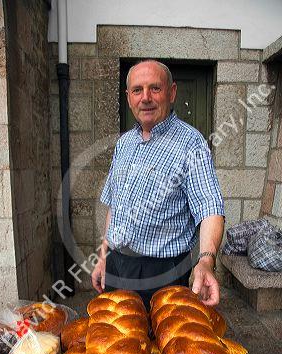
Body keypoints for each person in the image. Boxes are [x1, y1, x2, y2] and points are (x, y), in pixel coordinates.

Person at [91, 59, 225, 310]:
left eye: (155, 88)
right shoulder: (124, 143)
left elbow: (209, 207)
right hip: (117, 265)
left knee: (158, 344)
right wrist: (102, 258)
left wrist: (206, 261)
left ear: (171, 92)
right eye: (137, 90)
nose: (146, 98)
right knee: (115, 340)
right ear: (128, 97)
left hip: (161, 274)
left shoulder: (191, 144)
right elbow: (114, 206)